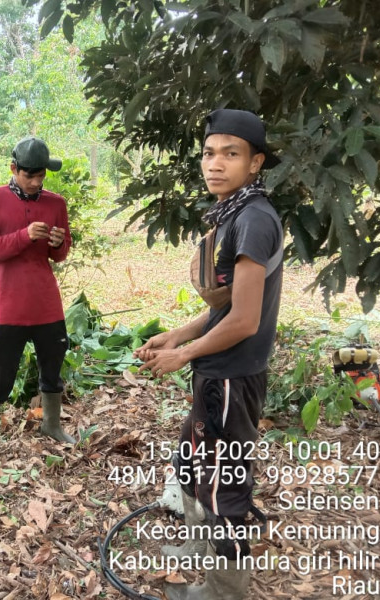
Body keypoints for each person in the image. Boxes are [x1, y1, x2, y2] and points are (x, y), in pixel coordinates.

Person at [134, 109, 283, 600]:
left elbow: (245, 321)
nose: (215, 164)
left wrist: (184, 355)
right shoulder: (235, 213)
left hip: (232, 377)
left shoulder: (253, 220)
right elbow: (225, 308)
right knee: (192, 462)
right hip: (218, 371)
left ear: (255, 162)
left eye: (231, 154)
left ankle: (224, 590)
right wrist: (177, 336)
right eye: (209, 153)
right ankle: (201, 549)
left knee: (225, 488)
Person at [0, 136, 76, 464]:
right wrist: (24, 235)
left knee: (52, 370)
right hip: (9, 306)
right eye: (29, 175)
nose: (35, 182)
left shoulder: (56, 203)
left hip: (47, 304)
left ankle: (52, 425)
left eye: (41, 176)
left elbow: (60, 254)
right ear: (13, 169)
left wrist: (58, 243)